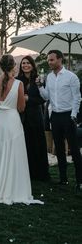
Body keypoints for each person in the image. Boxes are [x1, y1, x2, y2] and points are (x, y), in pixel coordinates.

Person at [0, 54, 43, 205]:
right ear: (13, 66)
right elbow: (21, 108)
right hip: (12, 122)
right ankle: (12, 187)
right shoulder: (18, 84)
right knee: (13, 155)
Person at [37, 50, 82, 191]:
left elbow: (77, 98)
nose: (49, 62)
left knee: (74, 150)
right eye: (49, 60)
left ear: (60, 59)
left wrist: (73, 115)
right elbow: (46, 97)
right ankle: (63, 180)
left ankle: (80, 181)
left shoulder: (71, 77)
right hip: (55, 116)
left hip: (69, 116)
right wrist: (39, 86)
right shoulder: (49, 77)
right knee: (59, 150)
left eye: (52, 60)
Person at [17, 56, 50, 181]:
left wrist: (28, 99)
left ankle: (41, 173)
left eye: (28, 63)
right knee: (26, 145)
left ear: (32, 65)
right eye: (23, 63)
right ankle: (28, 173)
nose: (25, 65)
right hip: (22, 117)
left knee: (38, 144)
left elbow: (43, 98)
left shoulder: (39, 79)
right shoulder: (17, 80)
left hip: (36, 116)